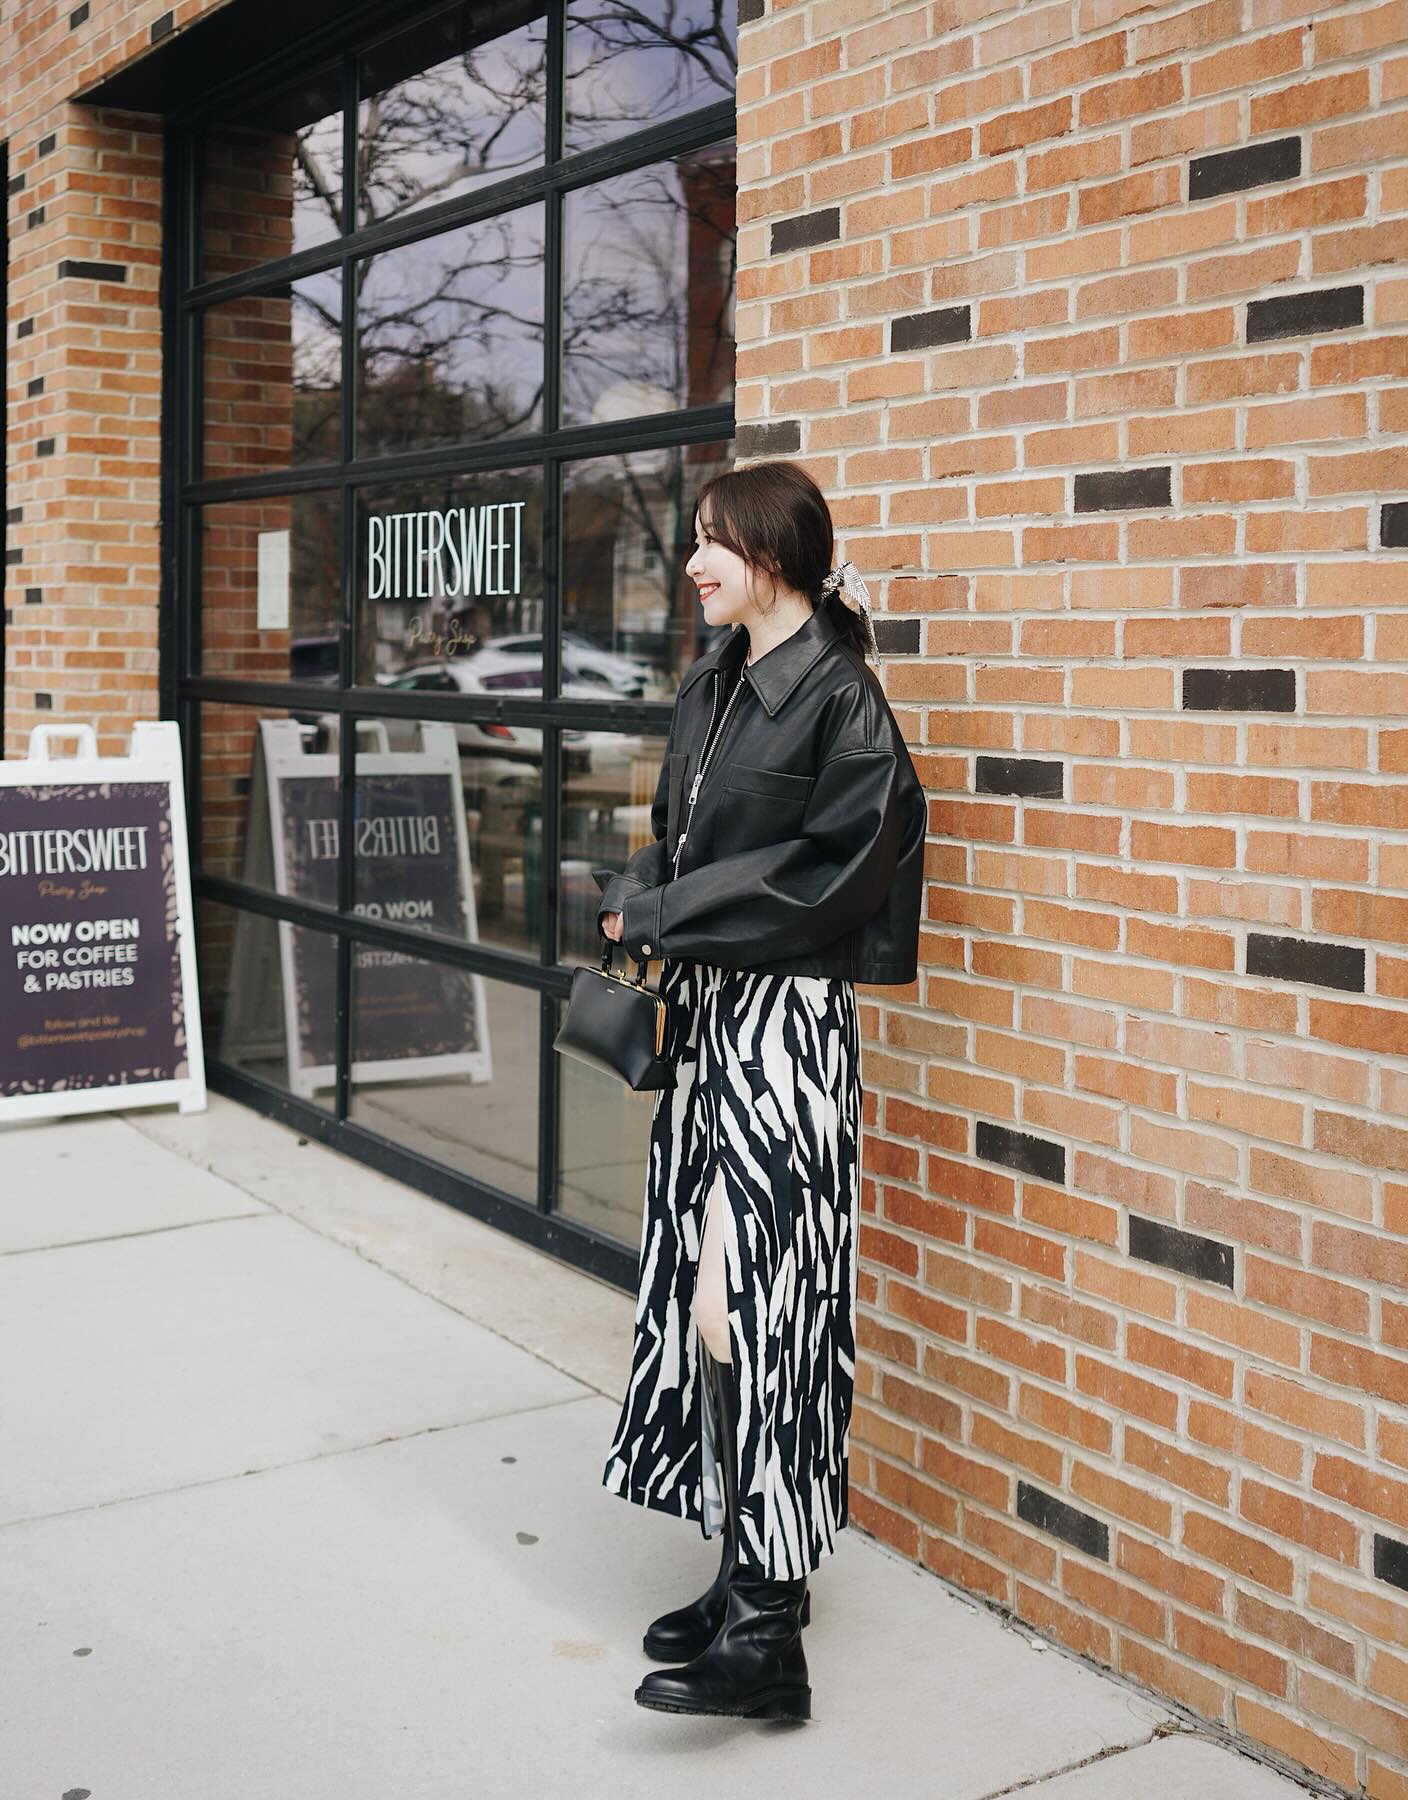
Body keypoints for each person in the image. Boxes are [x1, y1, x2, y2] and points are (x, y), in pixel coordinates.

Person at [594, 459, 927, 1722]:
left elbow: (837, 873)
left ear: (773, 552)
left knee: (759, 1304)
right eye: (693, 538)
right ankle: (748, 1575)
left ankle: (769, 1629)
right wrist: (638, 888)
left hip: (785, 1031)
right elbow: (684, 834)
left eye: (712, 541)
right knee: (706, 1299)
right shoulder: (716, 679)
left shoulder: (840, 697)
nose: (692, 562)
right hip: (710, 1022)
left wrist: (670, 908)